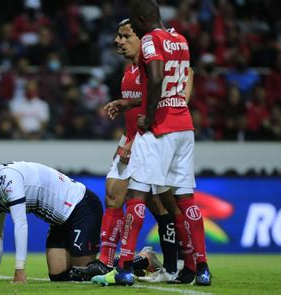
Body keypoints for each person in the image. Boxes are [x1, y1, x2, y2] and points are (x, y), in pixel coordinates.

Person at [93, 0, 210, 286]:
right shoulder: (179, 40)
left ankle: (123, 266)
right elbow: (177, 82)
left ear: (144, 19)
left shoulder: (149, 42)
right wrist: (131, 103)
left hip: (160, 129)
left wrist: (148, 113)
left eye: (135, 22)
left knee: (137, 196)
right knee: (185, 199)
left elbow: (156, 76)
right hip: (184, 125)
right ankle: (199, 267)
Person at [71, 19, 192, 283]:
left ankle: (178, 263)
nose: (118, 41)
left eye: (125, 36)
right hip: (131, 138)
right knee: (113, 193)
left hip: (153, 140)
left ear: (142, 39)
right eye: (118, 36)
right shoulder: (129, 70)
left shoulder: (153, 67)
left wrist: (133, 141)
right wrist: (125, 137)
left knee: (163, 204)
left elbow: (172, 93)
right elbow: (139, 108)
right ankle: (106, 261)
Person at [0, 161, 103, 283]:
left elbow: (20, 223)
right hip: (59, 222)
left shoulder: (8, 180)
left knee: (83, 272)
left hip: (81, 206)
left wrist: (20, 269)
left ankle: (113, 266)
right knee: (57, 275)